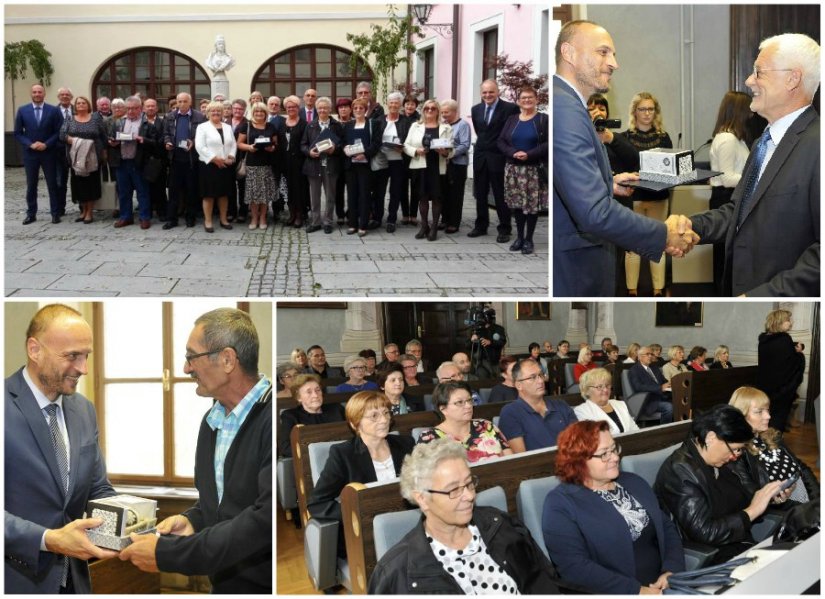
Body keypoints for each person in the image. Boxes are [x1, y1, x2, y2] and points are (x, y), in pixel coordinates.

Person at [120, 308, 272, 593]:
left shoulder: (271, 419)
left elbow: (264, 521)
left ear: (227, 359)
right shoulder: (212, 421)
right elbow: (220, 504)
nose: (186, 368)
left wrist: (167, 554)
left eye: (192, 357)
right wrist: (192, 519)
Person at [552, 20, 698, 296]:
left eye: (614, 54)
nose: (614, 63)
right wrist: (663, 234)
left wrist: (609, 182)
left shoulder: (569, 105)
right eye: (603, 52)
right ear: (569, 53)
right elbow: (593, 212)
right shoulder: (566, 110)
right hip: (574, 269)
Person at [689, 33, 820, 296]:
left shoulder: (818, 145)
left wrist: (758, 298)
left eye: (759, 72)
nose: (749, 81)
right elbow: (737, 212)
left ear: (792, 78)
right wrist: (688, 227)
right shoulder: (763, 143)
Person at [5, 305, 118, 593]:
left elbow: (98, 490)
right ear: (34, 349)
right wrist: (48, 539)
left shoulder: (84, 410)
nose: (83, 369)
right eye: (72, 357)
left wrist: (133, 522)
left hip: (74, 580)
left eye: (86, 356)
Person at [368, 439, 560, 594]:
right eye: (453, 490)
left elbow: (543, 582)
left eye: (469, 484)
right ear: (422, 499)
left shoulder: (500, 525)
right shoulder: (397, 572)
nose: (469, 496)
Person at [543, 421, 684, 594]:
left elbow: (666, 527)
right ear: (578, 460)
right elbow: (574, 568)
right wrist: (638, 591)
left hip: (665, 586)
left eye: (614, 449)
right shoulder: (561, 504)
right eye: (604, 454)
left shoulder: (633, 482)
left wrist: (671, 571)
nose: (615, 457)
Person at [654, 405, 786, 564]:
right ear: (711, 438)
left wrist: (769, 499)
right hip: (710, 556)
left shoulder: (723, 462)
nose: (735, 456)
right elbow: (705, 533)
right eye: (734, 449)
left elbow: (747, 500)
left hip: (739, 546)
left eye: (740, 451)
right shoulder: (679, 472)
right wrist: (751, 512)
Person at [308, 391, 415, 557]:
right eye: (374, 416)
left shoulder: (406, 444)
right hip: (367, 535)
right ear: (355, 423)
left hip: (409, 522)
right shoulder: (343, 454)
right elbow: (317, 503)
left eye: (386, 412)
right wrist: (356, 516)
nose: (384, 419)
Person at [728, 386, 818, 504]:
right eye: (759, 412)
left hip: (805, 500)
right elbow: (751, 495)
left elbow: (802, 468)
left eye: (767, 410)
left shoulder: (770, 436)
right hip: (781, 511)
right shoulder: (737, 450)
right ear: (741, 415)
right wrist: (778, 502)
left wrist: (817, 499)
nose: (768, 416)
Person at [622, 92, 673, 296]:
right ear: (635, 111)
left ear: (656, 112)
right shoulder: (625, 137)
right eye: (642, 109)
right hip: (633, 197)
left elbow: (670, 169)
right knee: (632, 246)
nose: (647, 113)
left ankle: (658, 290)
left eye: (650, 109)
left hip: (658, 197)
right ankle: (631, 290)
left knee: (657, 244)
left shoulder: (664, 138)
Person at [708, 91, 753, 293]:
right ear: (739, 111)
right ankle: (722, 293)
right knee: (724, 256)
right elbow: (726, 178)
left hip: (734, 197)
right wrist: (755, 180)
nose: (752, 115)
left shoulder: (737, 138)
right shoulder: (727, 139)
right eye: (748, 110)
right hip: (725, 198)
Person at [468, 79, 520, 242]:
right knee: (480, 194)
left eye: (491, 92)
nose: (488, 95)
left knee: (500, 194)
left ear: (498, 92)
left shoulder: (510, 108)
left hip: (499, 156)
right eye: (484, 92)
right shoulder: (476, 109)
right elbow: (480, 131)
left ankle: (505, 228)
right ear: (481, 93)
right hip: (481, 156)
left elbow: (511, 132)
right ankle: (481, 225)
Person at [498, 86, 548, 254]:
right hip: (513, 169)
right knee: (518, 205)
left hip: (533, 170)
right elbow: (501, 141)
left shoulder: (543, 119)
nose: (527, 100)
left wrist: (529, 154)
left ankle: (529, 239)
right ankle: (519, 237)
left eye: (530, 97)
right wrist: (513, 153)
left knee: (532, 206)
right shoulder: (512, 119)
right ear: (518, 101)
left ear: (536, 100)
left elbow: (549, 143)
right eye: (523, 98)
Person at [417, 381, 512, 462]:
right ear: (443, 409)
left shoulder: (485, 426)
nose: (468, 406)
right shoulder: (429, 438)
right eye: (459, 402)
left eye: (469, 400)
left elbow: (511, 460)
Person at [498, 358, 578, 452]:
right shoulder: (510, 413)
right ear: (519, 385)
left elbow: (579, 442)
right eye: (532, 377)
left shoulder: (561, 405)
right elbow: (521, 459)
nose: (540, 381)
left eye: (541, 375)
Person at [404, 99, 454, 241]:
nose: (430, 111)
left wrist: (444, 152)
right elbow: (406, 145)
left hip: (437, 166)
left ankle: (434, 228)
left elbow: (452, 149)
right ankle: (424, 225)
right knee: (423, 197)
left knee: (437, 198)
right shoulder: (415, 126)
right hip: (420, 165)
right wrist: (416, 150)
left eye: (433, 108)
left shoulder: (446, 128)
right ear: (423, 111)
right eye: (427, 109)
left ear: (438, 111)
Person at [15, 84, 63, 224]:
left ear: (44, 94)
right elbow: (18, 133)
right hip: (30, 153)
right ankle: (31, 213)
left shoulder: (53, 110)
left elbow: (58, 131)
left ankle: (55, 213)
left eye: (39, 92)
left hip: (49, 152)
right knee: (31, 185)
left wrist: (46, 144)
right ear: (31, 94)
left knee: (52, 184)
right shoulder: (23, 110)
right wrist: (30, 144)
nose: (37, 94)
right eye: (34, 92)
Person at [112, 95, 159, 229]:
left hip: (138, 161)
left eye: (134, 108)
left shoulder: (146, 124)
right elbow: (112, 137)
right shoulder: (119, 122)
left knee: (142, 191)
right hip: (122, 161)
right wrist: (112, 142)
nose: (131, 111)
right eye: (128, 108)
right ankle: (125, 217)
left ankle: (144, 217)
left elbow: (155, 143)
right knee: (123, 191)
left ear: (140, 108)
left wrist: (143, 139)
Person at [59, 96, 107, 224]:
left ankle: (89, 212)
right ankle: (83, 210)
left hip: (93, 158)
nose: (80, 105)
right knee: (78, 185)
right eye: (78, 103)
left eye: (83, 103)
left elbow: (103, 135)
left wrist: (104, 153)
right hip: (76, 158)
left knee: (91, 185)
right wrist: (74, 141)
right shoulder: (70, 119)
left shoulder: (95, 119)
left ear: (88, 105)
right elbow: (62, 135)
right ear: (75, 106)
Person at [163, 92, 206, 229]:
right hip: (175, 158)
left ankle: (190, 217)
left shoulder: (199, 116)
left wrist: (193, 142)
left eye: (184, 101)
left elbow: (203, 135)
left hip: (191, 158)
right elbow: (166, 134)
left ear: (190, 102)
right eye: (179, 101)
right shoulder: (170, 116)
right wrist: (168, 142)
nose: (181, 104)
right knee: (173, 190)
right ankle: (172, 219)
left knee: (191, 189)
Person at [757, 309, 805, 432]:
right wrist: (799, 354)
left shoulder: (763, 341)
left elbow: (775, 362)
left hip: (766, 387)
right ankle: (774, 445)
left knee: (767, 419)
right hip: (781, 390)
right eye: (788, 320)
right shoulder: (784, 339)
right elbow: (791, 366)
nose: (791, 322)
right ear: (779, 322)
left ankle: (766, 443)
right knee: (778, 421)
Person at [301, 96, 344, 234]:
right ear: (316, 109)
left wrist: (335, 149)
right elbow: (303, 144)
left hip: (331, 164)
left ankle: (328, 222)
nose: (322, 110)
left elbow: (342, 144)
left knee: (330, 195)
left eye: (325, 107)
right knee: (314, 196)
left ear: (330, 109)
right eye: (320, 108)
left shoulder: (337, 125)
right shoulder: (311, 125)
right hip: (314, 164)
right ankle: (315, 222)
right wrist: (309, 152)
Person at [278, 374, 345, 457]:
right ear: (299, 397)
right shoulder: (290, 416)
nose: (315, 395)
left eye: (318, 390)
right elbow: (286, 448)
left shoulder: (337, 409)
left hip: (341, 456)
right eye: (309, 392)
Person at [372, 91, 413, 233]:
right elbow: (374, 139)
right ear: (387, 104)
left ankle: (391, 219)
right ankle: (377, 218)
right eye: (391, 102)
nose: (393, 105)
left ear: (400, 104)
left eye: (396, 102)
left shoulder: (407, 122)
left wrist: (403, 148)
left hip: (398, 161)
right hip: (381, 160)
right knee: (379, 191)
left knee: (395, 191)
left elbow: (410, 141)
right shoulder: (379, 121)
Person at [195, 101, 236, 233]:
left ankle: (224, 220)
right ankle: (208, 221)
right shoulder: (202, 127)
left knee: (224, 194)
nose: (216, 113)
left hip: (225, 165)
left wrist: (231, 156)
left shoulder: (227, 127)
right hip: (209, 166)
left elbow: (233, 144)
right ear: (208, 113)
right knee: (209, 195)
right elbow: (200, 146)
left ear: (222, 112)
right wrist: (214, 159)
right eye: (213, 111)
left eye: (218, 110)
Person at [237, 101, 278, 230]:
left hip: (267, 164)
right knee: (254, 194)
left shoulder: (271, 126)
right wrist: (249, 147)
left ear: (265, 113)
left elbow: (275, 143)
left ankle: (263, 218)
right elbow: (239, 144)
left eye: (261, 111)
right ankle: (254, 218)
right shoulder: (246, 126)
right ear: (253, 113)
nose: (259, 113)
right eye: (256, 111)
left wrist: (272, 148)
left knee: (265, 194)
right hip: (252, 164)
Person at [343, 98, 379, 236]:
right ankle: (352, 224)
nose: (358, 110)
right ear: (353, 110)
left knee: (364, 195)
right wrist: (345, 148)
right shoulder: (348, 125)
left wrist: (365, 154)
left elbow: (376, 143)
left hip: (365, 165)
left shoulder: (372, 124)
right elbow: (343, 142)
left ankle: (363, 225)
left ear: (365, 110)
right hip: (351, 164)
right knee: (351, 194)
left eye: (361, 108)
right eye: (356, 108)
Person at [573, 368, 639, 436]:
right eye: (599, 387)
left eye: (607, 385)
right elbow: (593, 439)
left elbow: (636, 431)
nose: (605, 390)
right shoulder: (581, 411)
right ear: (587, 390)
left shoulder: (620, 404)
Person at [587, 93, 638, 176]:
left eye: (602, 109)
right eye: (591, 109)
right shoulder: (580, 138)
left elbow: (634, 160)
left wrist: (612, 139)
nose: (598, 112)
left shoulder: (616, 138)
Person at [440, 99, 471, 234]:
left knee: (456, 194)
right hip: (444, 164)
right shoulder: (444, 125)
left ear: (454, 111)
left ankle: (454, 222)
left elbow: (465, 145)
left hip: (458, 164)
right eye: (442, 112)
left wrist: (450, 153)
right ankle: (445, 219)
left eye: (446, 112)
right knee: (444, 192)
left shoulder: (463, 125)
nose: (444, 115)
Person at [279, 95, 309, 228]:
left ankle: (300, 215)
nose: (291, 109)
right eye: (288, 107)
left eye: (294, 107)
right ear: (285, 109)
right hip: (285, 162)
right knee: (288, 189)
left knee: (299, 189)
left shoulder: (304, 124)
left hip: (299, 162)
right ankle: (291, 213)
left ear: (298, 108)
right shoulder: (281, 124)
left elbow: (306, 142)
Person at [627, 346, 674, 423]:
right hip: (648, 400)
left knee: (681, 402)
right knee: (668, 407)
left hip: (662, 396)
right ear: (639, 357)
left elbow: (664, 381)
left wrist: (670, 383)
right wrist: (660, 388)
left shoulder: (654, 367)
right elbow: (638, 387)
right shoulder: (634, 370)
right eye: (647, 354)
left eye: (651, 354)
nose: (650, 356)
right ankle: (664, 431)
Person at [466, 307, 507, 377]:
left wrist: (491, 342)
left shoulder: (498, 329)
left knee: (494, 380)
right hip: (478, 363)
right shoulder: (474, 330)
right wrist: (472, 340)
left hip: (493, 362)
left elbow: (502, 342)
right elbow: (467, 346)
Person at [54, 87, 74, 216]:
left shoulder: (78, 109)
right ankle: (60, 208)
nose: (65, 96)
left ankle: (83, 208)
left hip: (77, 150)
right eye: (62, 94)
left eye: (67, 94)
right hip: (59, 151)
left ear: (71, 97)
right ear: (58, 97)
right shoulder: (52, 112)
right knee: (60, 181)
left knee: (79, 180)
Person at [334, 98, 353, 224]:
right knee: (338, 190)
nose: (343, 109)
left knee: (352, 190)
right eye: (341, 107)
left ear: (350, 109)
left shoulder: (355, 123)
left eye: (346, 107)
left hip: (352, 161)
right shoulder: (334, 124)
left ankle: (351, 213)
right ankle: (340, 214)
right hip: (336, 162)